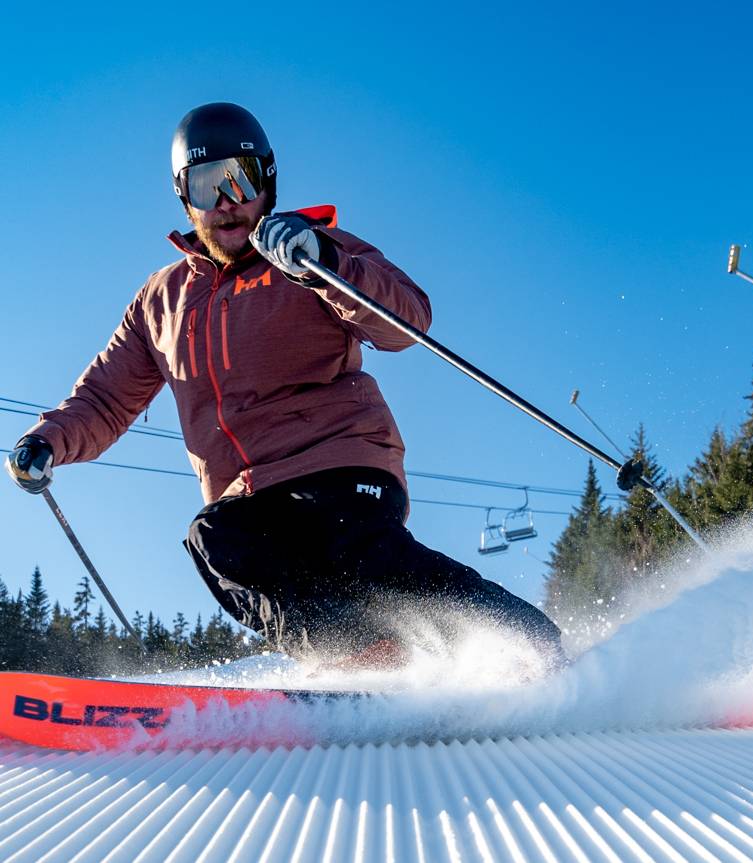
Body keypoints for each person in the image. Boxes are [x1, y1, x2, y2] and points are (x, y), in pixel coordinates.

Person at [5, 102, 565, 671]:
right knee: (218, 540)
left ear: (267, 183)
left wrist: (324, 263)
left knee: (368, 561)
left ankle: (532, 646)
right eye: (206, 185)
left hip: (341, 466)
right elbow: (104, 397)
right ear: (184, 197)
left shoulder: (308, 250)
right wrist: (49, 440)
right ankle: (359, 660)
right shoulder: (162, 300)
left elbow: (406, 322)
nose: (227, 203)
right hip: (248, 498)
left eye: (240, 180)